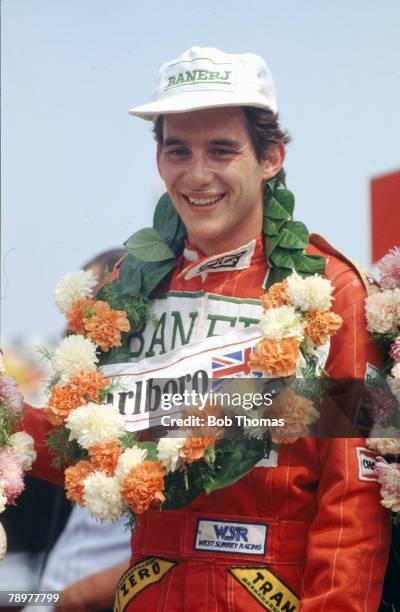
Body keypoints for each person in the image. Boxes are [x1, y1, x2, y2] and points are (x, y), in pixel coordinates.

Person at [23, 47, 391, 611]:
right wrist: (9, 417)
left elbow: (354, 497)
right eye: (178, 150)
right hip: (148, 590)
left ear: (271, 157)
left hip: (273, 591)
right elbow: (81, 452)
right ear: (159, 159)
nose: (197, 175)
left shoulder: (331, 287)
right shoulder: (126, 286)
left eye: (222, 150)